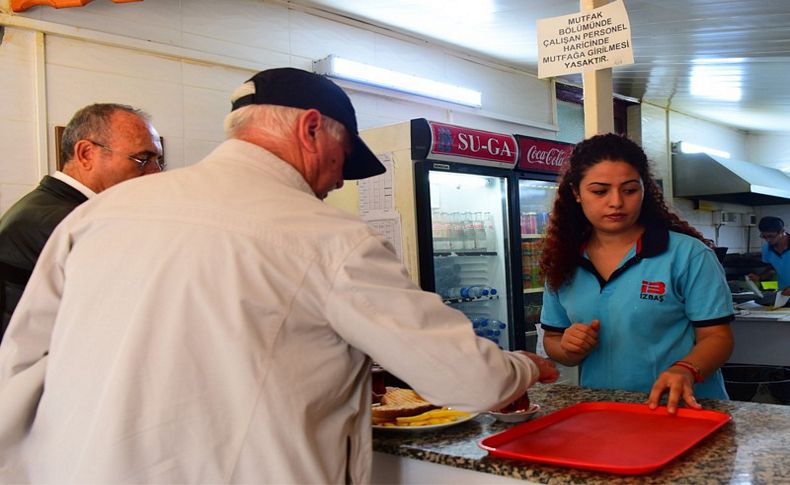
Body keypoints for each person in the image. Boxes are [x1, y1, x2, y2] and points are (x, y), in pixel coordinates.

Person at [0, 68, 558, 483]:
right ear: (312, 129)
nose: (338, 184)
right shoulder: (330, 238)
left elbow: (21, 367)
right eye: (342, 161)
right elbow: (469, 381)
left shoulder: (99, 214)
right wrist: (522, 367)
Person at [538, 133, 734, 414]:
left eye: (629, 190)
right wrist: (568, 348)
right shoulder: (564, 260)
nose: (616, 202)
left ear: (645, 190)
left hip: (682, 410)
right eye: (600, 191)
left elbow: (718, 337)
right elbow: (553, 339)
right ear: (576, 193)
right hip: (605, 411)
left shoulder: (687, 254)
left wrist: (686, 368)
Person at [0, 103, 164, 341]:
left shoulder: (44, 206)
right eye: (142, 159)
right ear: (86, 154)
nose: (155, 172)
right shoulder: (69, 222)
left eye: (158, 160)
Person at [748, 216, 790, 295]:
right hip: (783, 296)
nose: (768, 240)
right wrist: (759, 278)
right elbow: (772, 269)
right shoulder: (766, 249)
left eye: (771, 236)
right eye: (764, 236)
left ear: (782, 231)